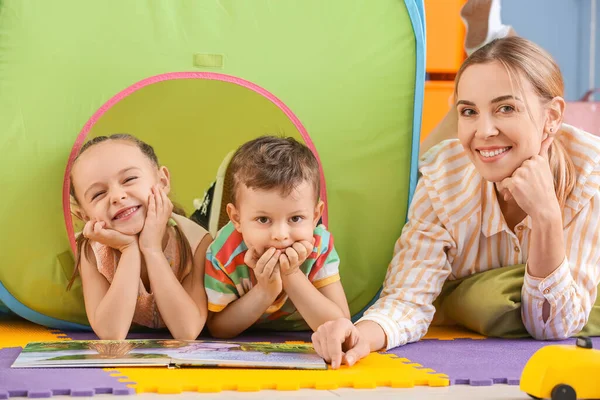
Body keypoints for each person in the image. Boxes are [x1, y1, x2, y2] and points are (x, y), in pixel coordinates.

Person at [311, 37, 600, 369]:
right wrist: (361, 335)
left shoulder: (590, 173)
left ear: (552, 116)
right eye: (469, 112)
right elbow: (407, 297)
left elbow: (554, 328)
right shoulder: (443, 178)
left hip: (575, 298)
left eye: (506, 108)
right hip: (488, 302)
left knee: (491, 302)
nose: (484, 130)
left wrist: (547, 215)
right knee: (483, 301)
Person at [204, 136, 350, 338]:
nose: (280, 235)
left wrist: (291, 275)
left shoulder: (319, 245)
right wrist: (265, 291)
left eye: (296, 218)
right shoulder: (224, 253)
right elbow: (218, 328)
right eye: (263, 219)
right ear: (237, 218)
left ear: (315, 215)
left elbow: (341, 325)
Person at [68, 134, 211, 340]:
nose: (118, 196)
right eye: (98, 194)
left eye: (129, 179)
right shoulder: (91, 249)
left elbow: (187, 330)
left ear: (162, 181)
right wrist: (129, 250)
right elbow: (111, 334)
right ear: (84, 215)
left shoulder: (195, 241)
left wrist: (151, 248)